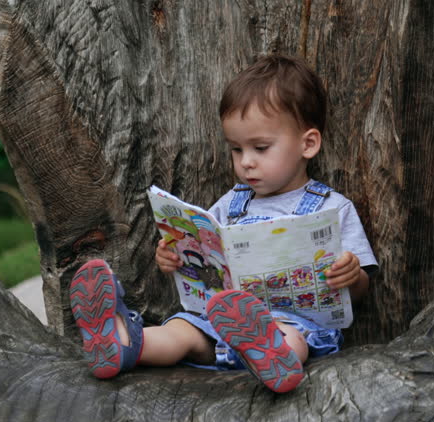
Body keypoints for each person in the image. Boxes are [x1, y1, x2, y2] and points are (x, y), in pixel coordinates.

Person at [69, 54, 378, 393]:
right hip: (217, 323)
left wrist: (353, 275)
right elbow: (204, 252)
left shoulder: (331, 208)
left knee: (291, 339)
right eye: (236, 149)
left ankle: (269, 356)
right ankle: (120, 340)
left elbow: (360, 287)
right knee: (181, 333)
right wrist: (174, 257)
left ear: (308, 144)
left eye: (260, 148)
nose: (246, 163)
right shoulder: (231, 204)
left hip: (294, 322)